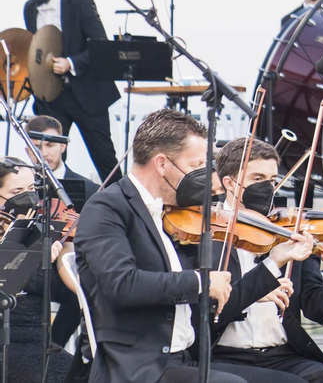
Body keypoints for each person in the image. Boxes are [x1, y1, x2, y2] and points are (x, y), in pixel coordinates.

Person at [72, 107, 247, 383]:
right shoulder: (107, 207)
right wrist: (200, 282)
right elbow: (122, 284)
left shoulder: (168, 212)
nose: (202, 177)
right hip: (138, 364)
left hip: (184, 357)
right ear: (162, 163)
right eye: (195, 166)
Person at [198, 136, 323, 383]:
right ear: (228, 182)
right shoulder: (206, 232)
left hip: (284, 355)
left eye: (272, 180)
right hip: (223, 356)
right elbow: (205, 311)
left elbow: (319, 309)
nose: (267, 188)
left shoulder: (288, 232)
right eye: (257, 179)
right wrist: (259, 289)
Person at [23, 0, 121, 182]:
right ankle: (53, 201)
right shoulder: (30, 9)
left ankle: (121, 200)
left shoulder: (80, 3)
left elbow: (100, 43)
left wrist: (71, 63)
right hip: (52, 97)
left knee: (104, 156)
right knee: (49, 157)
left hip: (87, 93)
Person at [0, 158, 75, 382]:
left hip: (40, 341)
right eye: (17, 191)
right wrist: (31, 258)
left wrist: (67, 254)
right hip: (7, 342)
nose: (29, 197)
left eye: (32, 188)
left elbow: (72, 290)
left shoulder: (45, 229)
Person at [28, 114, 89, 346]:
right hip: (30, 268)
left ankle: (54, 348)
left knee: (81, 293)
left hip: (67, 266)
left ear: (63, 146)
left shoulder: (89, 188)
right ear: (27, 150)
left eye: (51, 145)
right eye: (36, 147)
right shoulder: (21, 185)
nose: (44, 153)